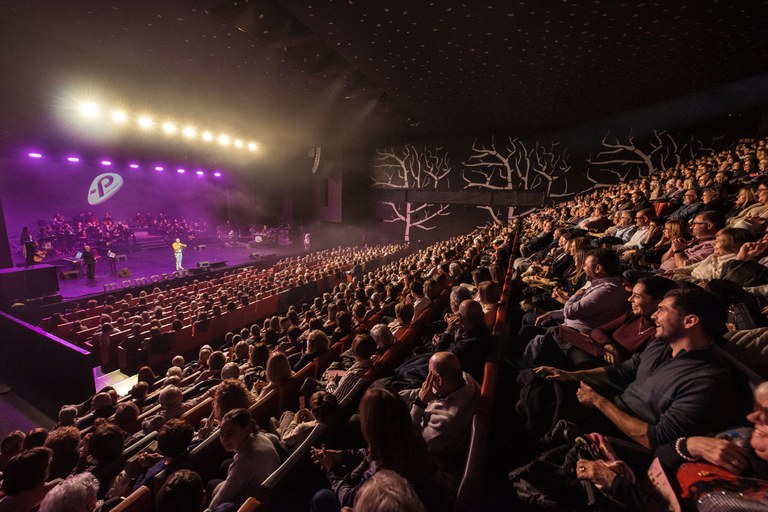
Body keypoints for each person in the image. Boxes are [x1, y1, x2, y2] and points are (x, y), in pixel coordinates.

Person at [534, 287, 739, 450]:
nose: (654, 316)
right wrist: (569, 375)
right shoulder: (661, 344)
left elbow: (658, 439)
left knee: (544, 406)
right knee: (542, 384)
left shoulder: (706, 380)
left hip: (619, 439)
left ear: (690, 321)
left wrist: (599, 402)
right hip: (610, 409)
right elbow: (622, 371)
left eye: (662, 310)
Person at [209, 408, 281, 509]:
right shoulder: (261, 436)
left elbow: (222, 498)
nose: (223, 439)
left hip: (251, 506)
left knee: (212, 485)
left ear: (246, 430)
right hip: (269, 490)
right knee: (225, 466)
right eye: (221, 434)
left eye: (230, 434)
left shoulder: (244, 461)